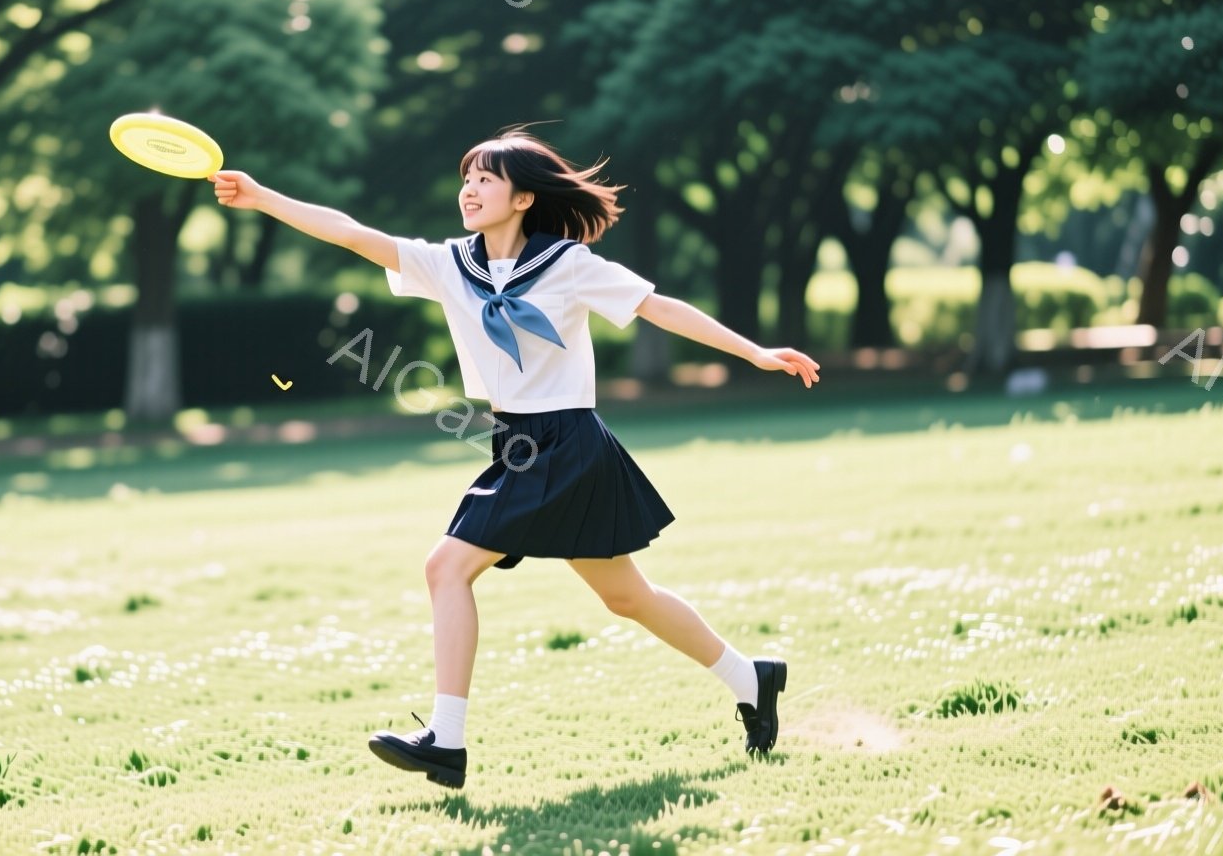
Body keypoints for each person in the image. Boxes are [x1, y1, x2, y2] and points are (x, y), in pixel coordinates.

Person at [209, 127, 819, 790]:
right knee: (626, 596)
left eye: (486, 179)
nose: (469, 190)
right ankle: (751, 678)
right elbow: (352, 233)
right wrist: (262, 197)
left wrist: (755, 353)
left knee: (446, 568)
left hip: (569, 442)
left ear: (524, 197)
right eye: (467, 178)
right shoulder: (450, 264)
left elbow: (659, 308)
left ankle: (446, 740)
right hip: (517, 443)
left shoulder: (568, 264)